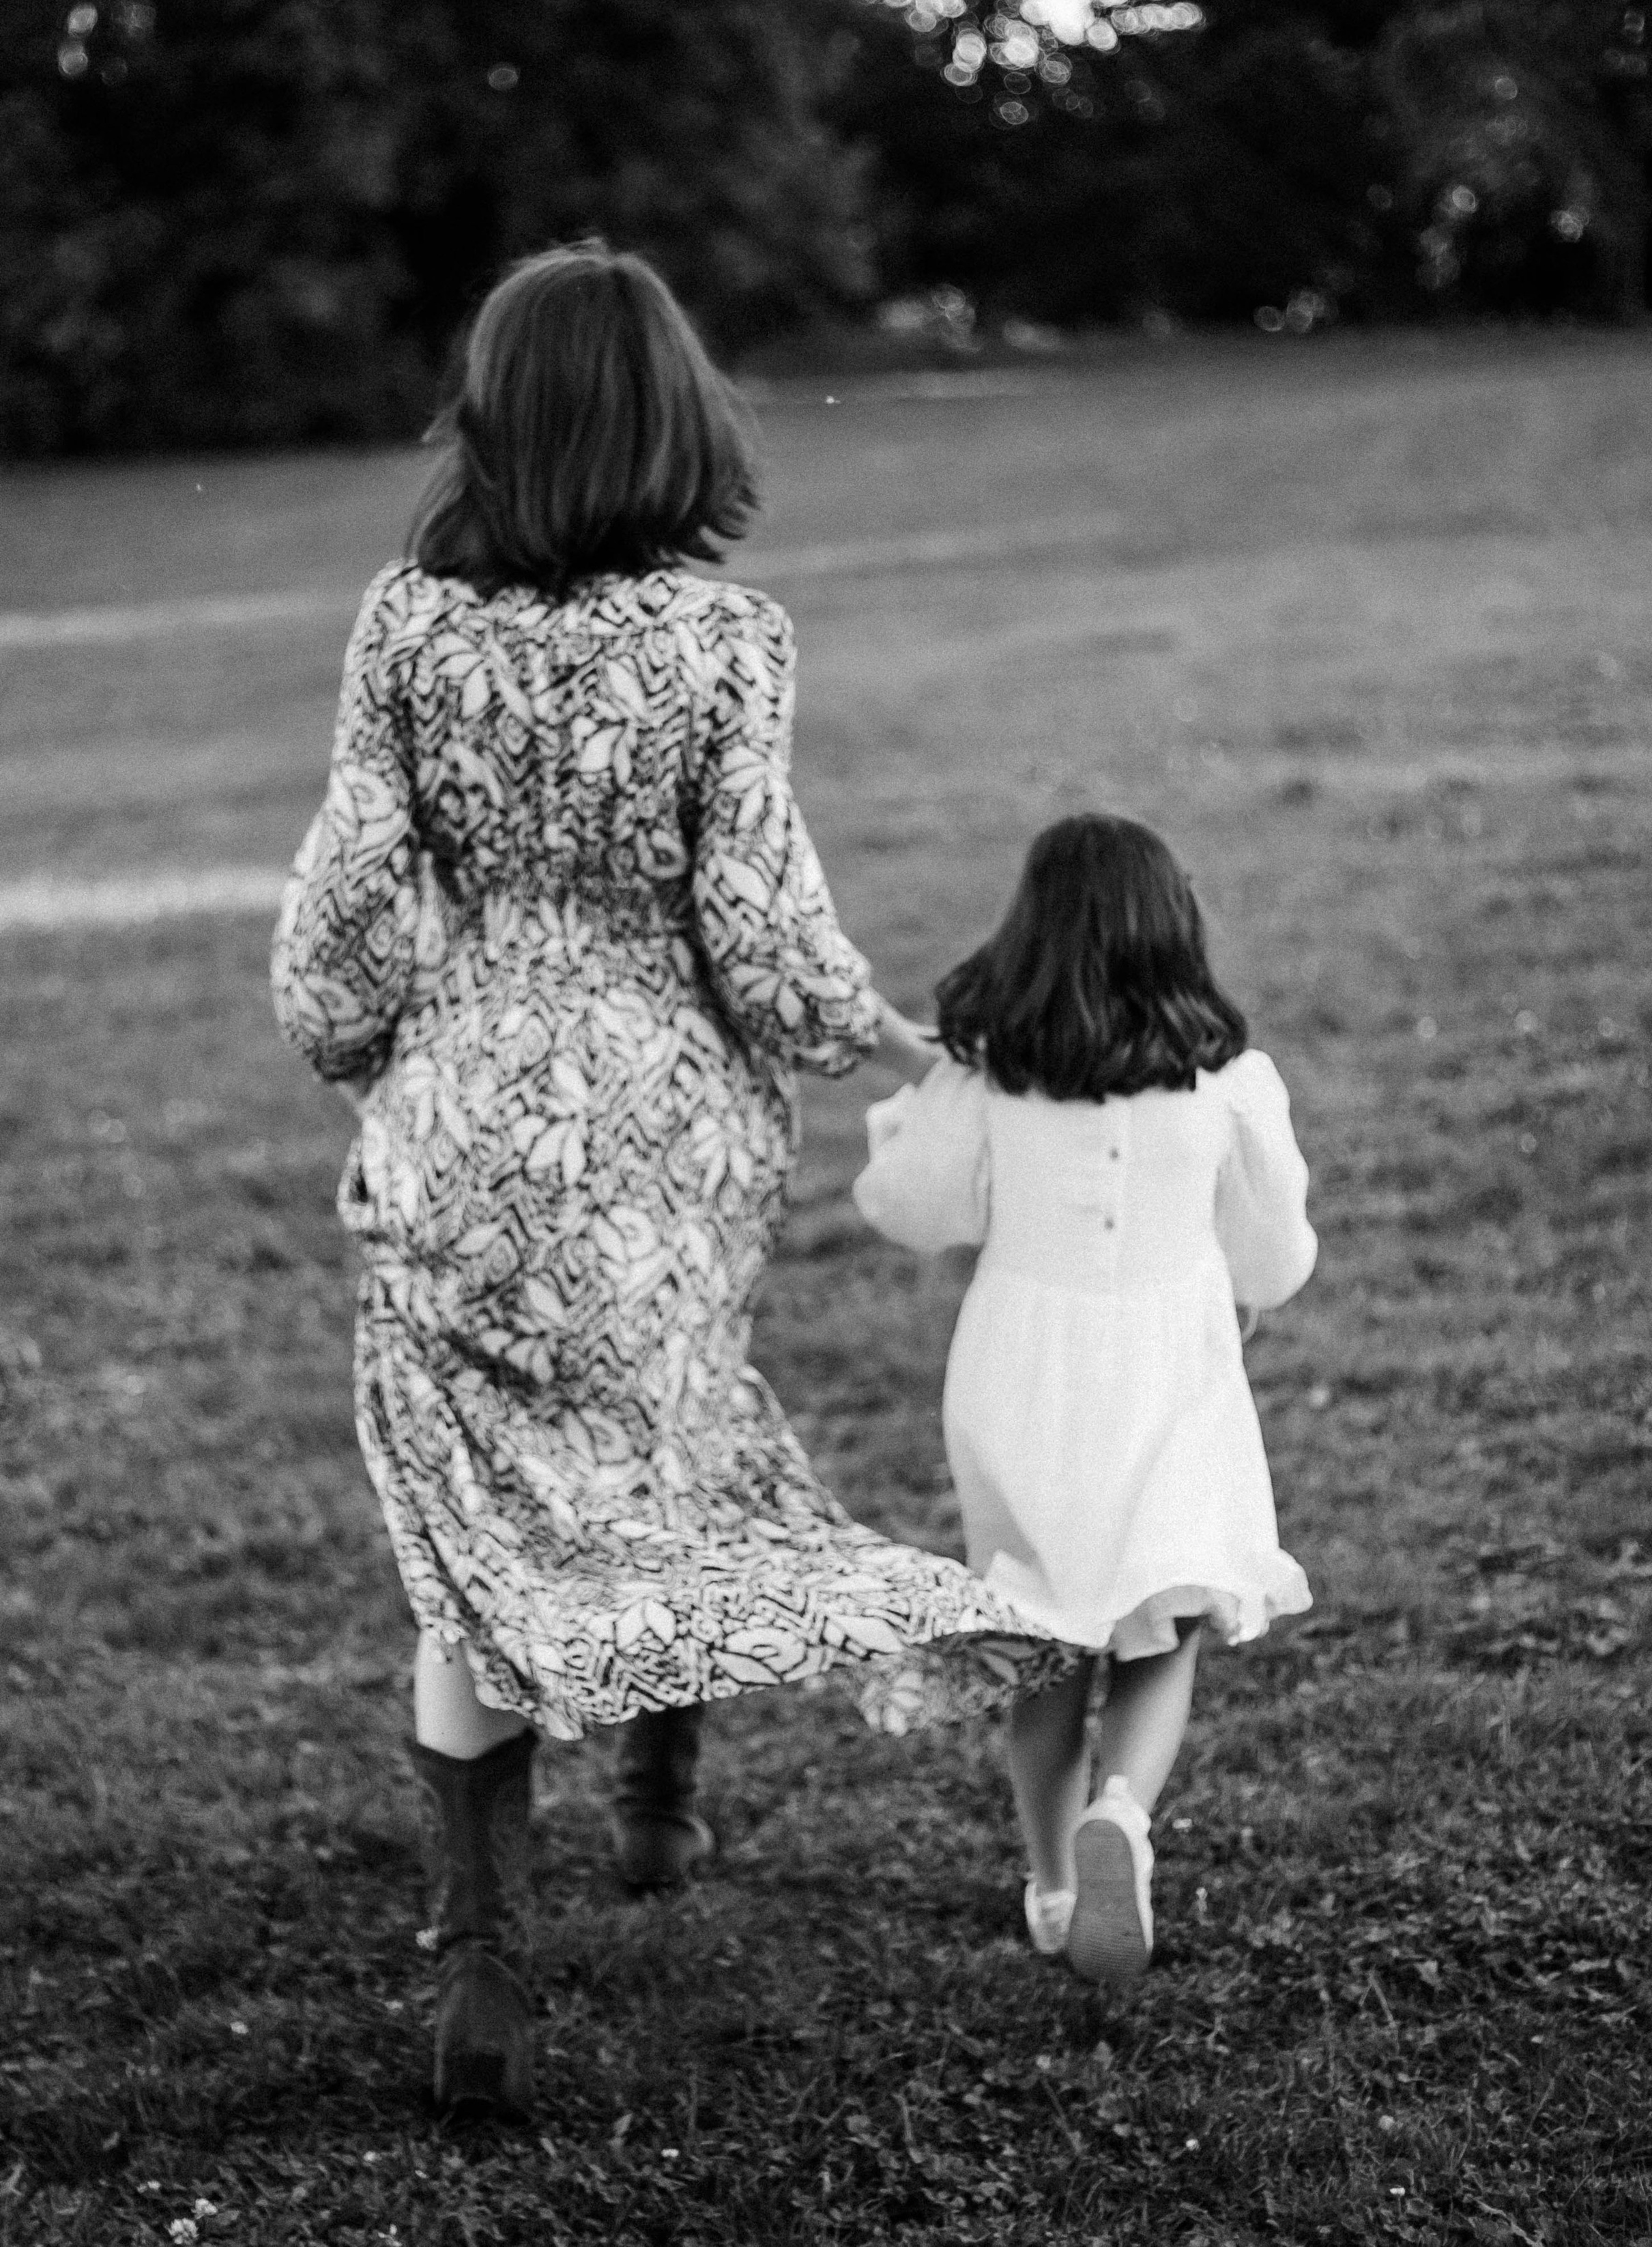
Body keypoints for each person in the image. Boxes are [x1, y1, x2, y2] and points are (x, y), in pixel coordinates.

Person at [271, 240, 1060, 2118]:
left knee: (487, 1544)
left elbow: (356, 893)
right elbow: (760, 927)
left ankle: (481, 1963)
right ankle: (661, 1806)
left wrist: (359, 1043)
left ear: (499, 418)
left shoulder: (409, 622)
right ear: (673, 419)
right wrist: (890, 1042)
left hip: (467, 1117)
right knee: (666, 1451)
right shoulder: (729, 641)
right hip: (667, 1131)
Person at [852, 814, 1318, 1984]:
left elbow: (911, 1210)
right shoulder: (1230, 1085)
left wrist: (922, 1098)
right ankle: (1124, 1810)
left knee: (1047, 1638)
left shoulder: (992, 1078)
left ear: (1035, 936)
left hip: (1020, 1372)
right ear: (1177, 930)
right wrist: (1240, 1279)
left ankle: (1057, 1885)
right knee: (1167, 1616)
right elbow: (1275, 1265)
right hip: (1171, 1362)